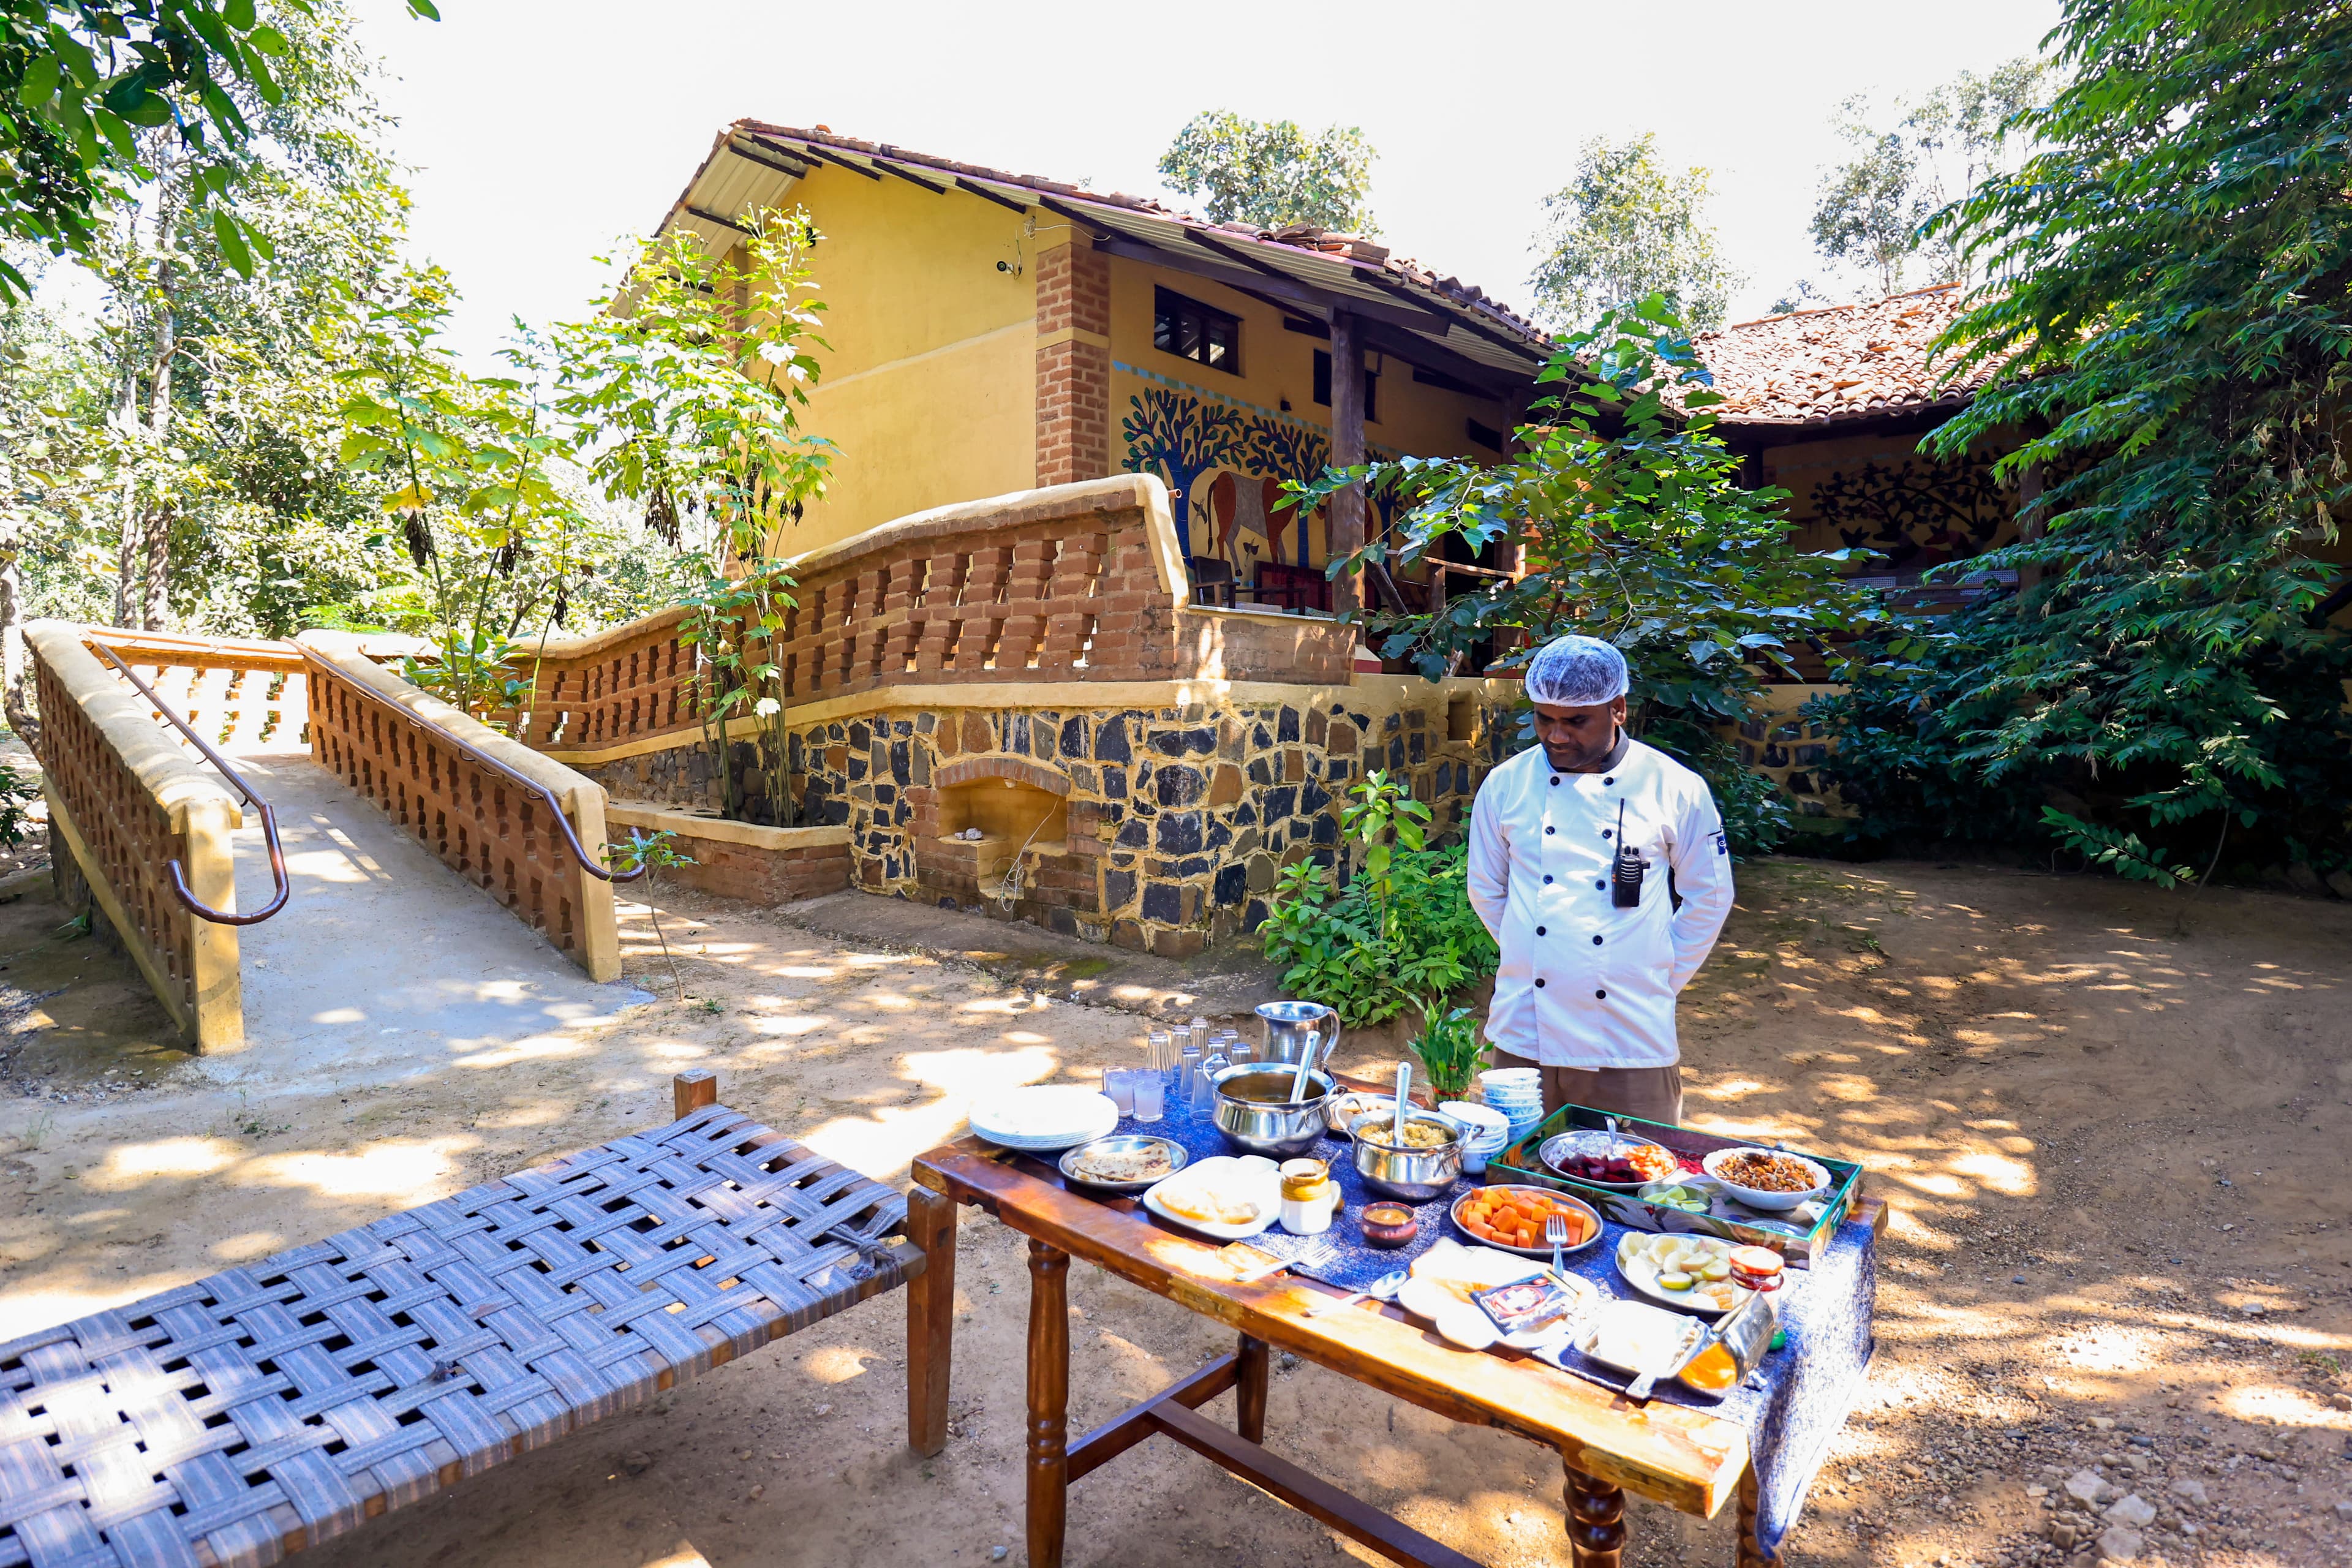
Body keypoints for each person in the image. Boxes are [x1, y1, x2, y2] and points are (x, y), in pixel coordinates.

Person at [1466, 635, 1734, 1128]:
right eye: (1544, 718)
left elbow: (1710, 897)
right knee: (1514, 1183)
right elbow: (1487, 889)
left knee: (1635, 1186)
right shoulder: (1505, 784)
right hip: (1525, 1029)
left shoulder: (1674, 787)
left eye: (1575, 721)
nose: (1556, 736)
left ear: (1618, 709)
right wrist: (1535, 949)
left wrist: (1655, 974)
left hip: (1629, 1034)